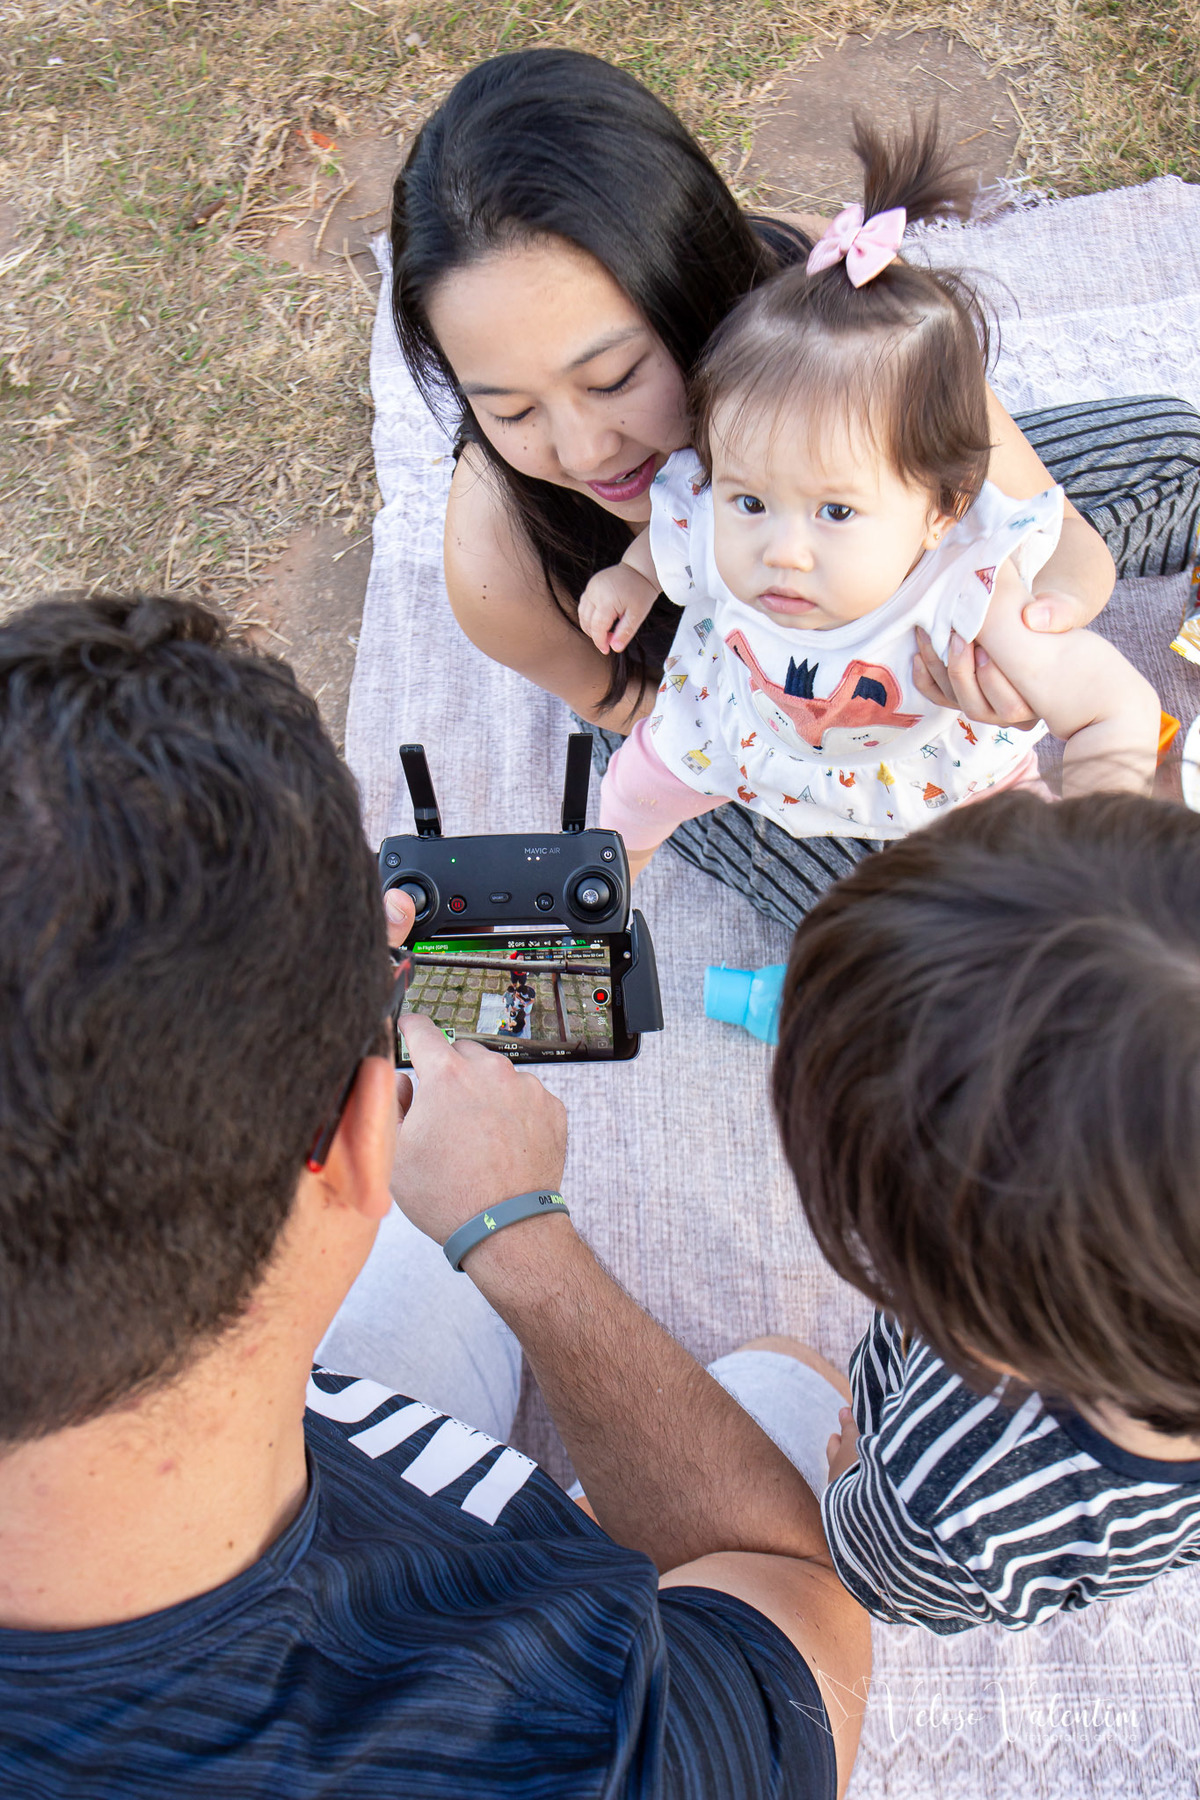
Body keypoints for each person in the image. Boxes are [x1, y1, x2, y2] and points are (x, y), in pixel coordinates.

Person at [0, 594, 869, 1798]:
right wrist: (515, 1233)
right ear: (365, 1142)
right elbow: (783, 1606)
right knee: (785, 1390)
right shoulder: (599, 1749)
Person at [390, 46, 1200, 925]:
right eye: (508, 411)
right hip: (734, 711)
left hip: (917, 640)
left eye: (616, 377)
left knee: (1175, 452)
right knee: (929, 933)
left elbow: (1052, 532)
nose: (588, 451)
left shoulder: (822, 305)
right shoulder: (499, 569)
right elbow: (636, 715)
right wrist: (795, 750)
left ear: (697, 294)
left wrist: (1035, 630)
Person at [591, 118, 1161, 874]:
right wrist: (633, 575)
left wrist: (1098, 837)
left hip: (936, 778)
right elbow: (676, 531)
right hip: (732, 729)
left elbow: (1114, 707)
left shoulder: (969, 587)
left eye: (836, 512)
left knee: (1017, 870)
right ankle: (603, 894)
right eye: (751, 502)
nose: (781, 551)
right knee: (632, 790)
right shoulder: (709, 508)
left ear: (941, 511)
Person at [771, 788, 1200, 1632]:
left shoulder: (949, 1503)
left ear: (976, 1325)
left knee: (775, 1376)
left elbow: (871, 1570)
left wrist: (861, 1482)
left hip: (895, 1494)